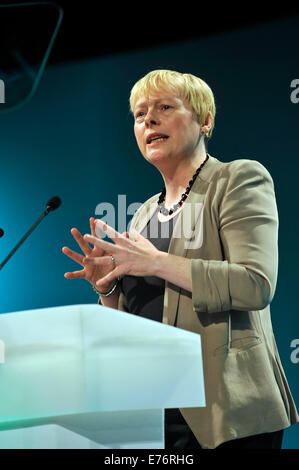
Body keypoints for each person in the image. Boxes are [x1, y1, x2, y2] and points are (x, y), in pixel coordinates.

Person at [62, 69, 299, 449]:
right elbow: (134, 324)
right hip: (156, 408)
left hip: (226, 409)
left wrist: (155, 262)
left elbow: (255, 283)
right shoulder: (144, 214)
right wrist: (106, 290)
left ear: (205, 121)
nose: (149, 119)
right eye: (140, 115)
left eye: (164, 107)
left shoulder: (236, 180)